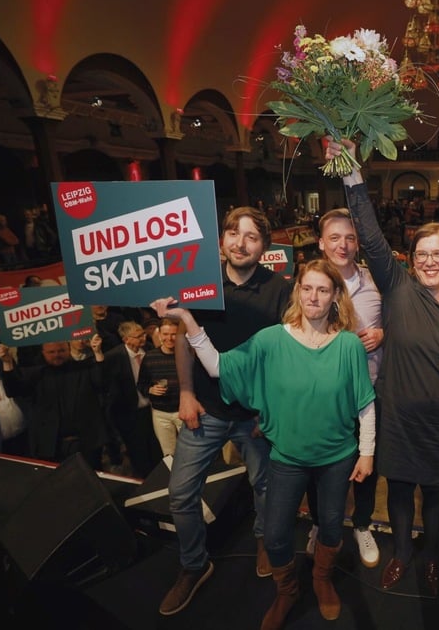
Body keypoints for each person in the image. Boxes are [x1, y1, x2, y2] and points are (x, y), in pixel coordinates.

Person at [151, 259, 376, 629]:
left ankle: (320, 580)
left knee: (332, 528)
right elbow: (219, 367)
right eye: (307, 288)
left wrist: (366, 452)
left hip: (338, 458)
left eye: (323, 289)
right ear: (297, 291)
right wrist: (189, 321)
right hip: (286, 457)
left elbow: (365, 403)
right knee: (274, 537)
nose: (314, 297)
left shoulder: (350, 345)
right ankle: (286, 591)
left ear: (336, 295)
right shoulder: (272, 339)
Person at [327, 138, 439, 595]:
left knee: (434, 497)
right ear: (411, 261)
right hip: (397, 416)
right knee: (397, 492)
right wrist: (351, 172)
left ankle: (432, 558)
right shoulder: (398, 289)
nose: (430, 261)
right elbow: (370, 235)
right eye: (422, 254)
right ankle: (402, 554)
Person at [156, 206, 292, 617]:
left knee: (266, 488)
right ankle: (194, 565)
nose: (240, 242)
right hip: (206, 409)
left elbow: (284, 357)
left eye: (251, 236)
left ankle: (265, 539)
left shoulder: (281, 290)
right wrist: (184, 392)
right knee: (180, 494)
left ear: (264, 247)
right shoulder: (200, 284)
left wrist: (269, 409)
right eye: (233, 233)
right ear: (220, 241)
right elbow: (183, 339)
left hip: (254, 416)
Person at [305, 207, 385, 568]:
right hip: (321, 397)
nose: (343, 244)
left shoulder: (376, 282)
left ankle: (363, 523)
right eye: (335, 237)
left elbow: (402, 321)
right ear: (322, 243)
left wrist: (385, 334)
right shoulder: (308, 283)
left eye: (350, 237)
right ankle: (319, 524)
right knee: (317, 465)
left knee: (367, 464)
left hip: (368, 391)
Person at [0, 336, 109, 469]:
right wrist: (7, 362)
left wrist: (98, 353)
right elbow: (13, 390)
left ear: (68, 349)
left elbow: (103, 382)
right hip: (50, 446)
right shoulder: (34, 374)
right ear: (43, 353)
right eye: (51, 352)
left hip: (87, 443)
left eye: (61, 350)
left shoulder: (83, 368)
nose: (57, 355)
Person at [104, 320, 161, 478]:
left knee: (156, 449)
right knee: (138, 452)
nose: (143, 338)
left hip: (153, 409)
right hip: (129, 414)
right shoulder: (113, 357)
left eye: (143, 334)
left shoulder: (149, 349)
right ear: (126, 339)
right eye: (138, 336)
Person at [138, 318, 182, 457]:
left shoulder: (187, 355)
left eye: (173, 334)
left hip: (184, 412)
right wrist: (150, 390)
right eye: (165, 334)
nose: (169, 338)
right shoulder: (150, 357)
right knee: (169, 454)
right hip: (160, 414)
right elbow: (141, 384)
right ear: (159, 335)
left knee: (192, 452)